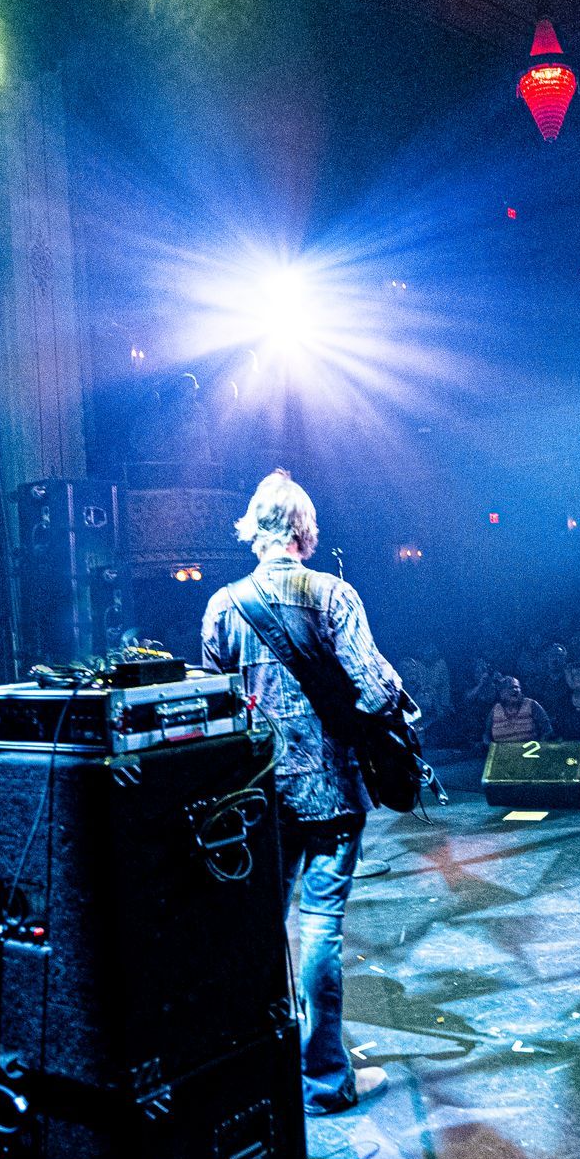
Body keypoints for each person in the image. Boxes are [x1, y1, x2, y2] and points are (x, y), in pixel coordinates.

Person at [202, 470, 403, 1115]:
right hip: (331, 793)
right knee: (319, 928)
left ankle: (258, 1068)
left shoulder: (223, 604)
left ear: (253, 528)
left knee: (258, 928)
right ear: (304, 530)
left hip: (254, 796)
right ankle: (322, 1081)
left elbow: (212, 709)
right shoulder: (333, 595)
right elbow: (374, 691)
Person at [484, 675, 554, 746]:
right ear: (502, 693)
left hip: (531, 753)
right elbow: (486, 735)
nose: (515, 690)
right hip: (503, 754)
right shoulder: (495, 710)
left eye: (517, 687)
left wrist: (540, 746)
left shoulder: (532, 705)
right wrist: (490, 746)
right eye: (510, 688)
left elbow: (547, 730)